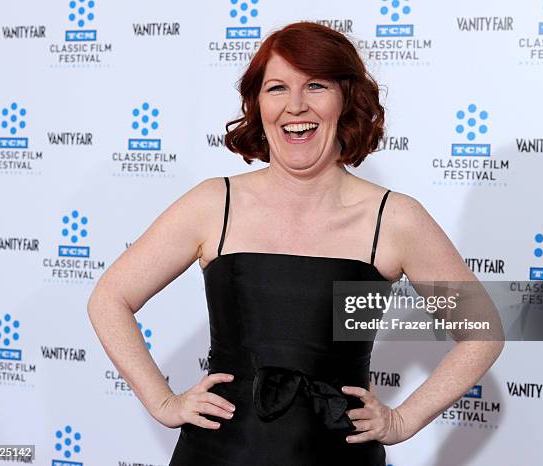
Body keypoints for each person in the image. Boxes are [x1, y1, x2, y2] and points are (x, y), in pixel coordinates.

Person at [87, 21, 504, 465]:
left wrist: (402, 420)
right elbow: (109, 298)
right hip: (218, 454)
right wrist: (163, 402)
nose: (295, 106)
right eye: (277, 88)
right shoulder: (215, 203)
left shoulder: (393, 218)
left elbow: (482, 332)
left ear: (346, 99)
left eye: (316, 85)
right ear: (257, 103)